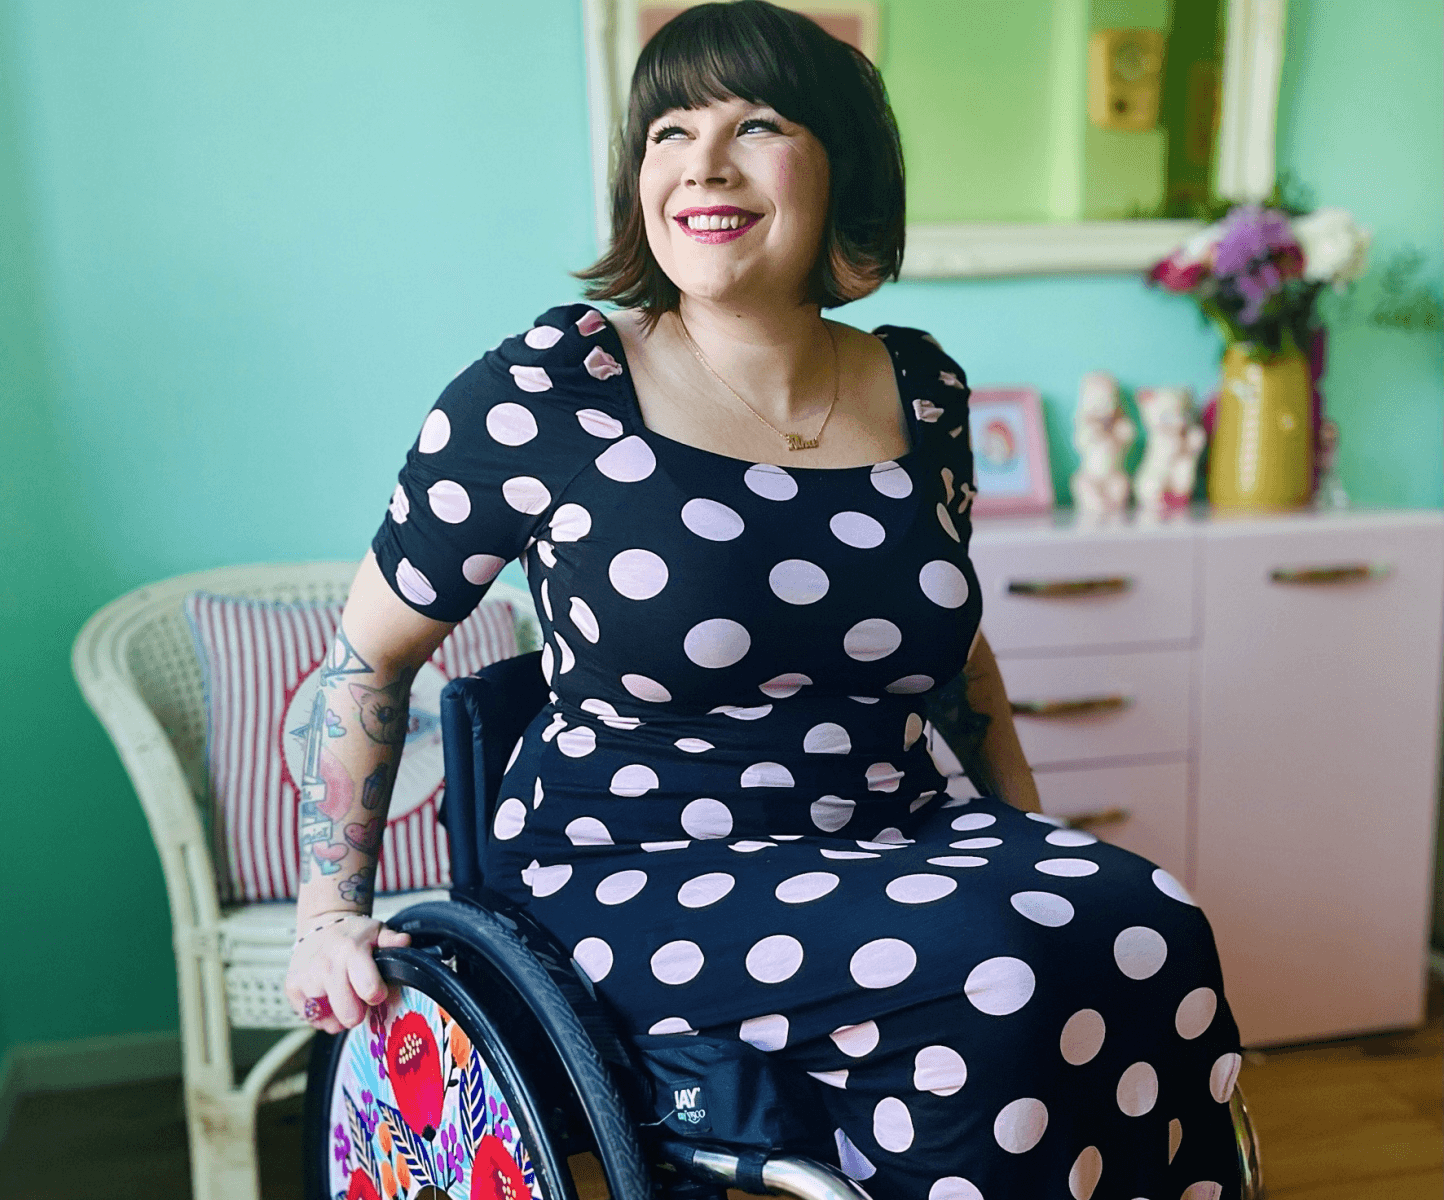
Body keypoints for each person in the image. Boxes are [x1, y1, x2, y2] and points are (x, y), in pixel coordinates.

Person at [286, 4, 1243, 1197]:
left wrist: (1026, 836)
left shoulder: (920, 385)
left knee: (1149, 918)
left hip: (895, 828)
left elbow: (957, 660)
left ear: (840, 161)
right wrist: (330, 908)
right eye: (669, 132)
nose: (702, 164)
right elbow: (366, 661)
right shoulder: (547, 389)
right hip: (632, 864)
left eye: (758, 125)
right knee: (992, 963)